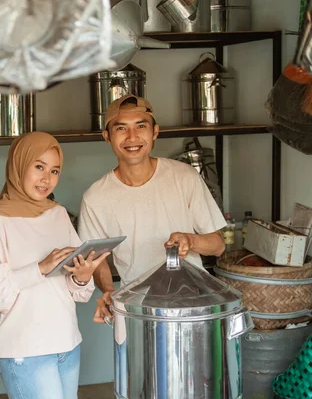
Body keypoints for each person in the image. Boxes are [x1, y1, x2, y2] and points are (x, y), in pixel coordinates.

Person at [0, 131, 110, 399]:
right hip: (26, 350)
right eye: (39, 167)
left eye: (55, 170)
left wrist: (82, 275)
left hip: (68, 343)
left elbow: (76, 291)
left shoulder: (58, 214)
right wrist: (39, 268)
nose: (47, 179)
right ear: (18, 164)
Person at [77, 95, 227, 324]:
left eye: (141, 126)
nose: (132, 137)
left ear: (155, 132)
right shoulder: (96, 197)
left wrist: (190, 240)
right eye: (121, 128)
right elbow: (95, 261)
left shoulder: (184, 177)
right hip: (137, 309)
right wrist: (108, 290)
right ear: (107, 136)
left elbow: (218, 246)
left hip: (194, 305)